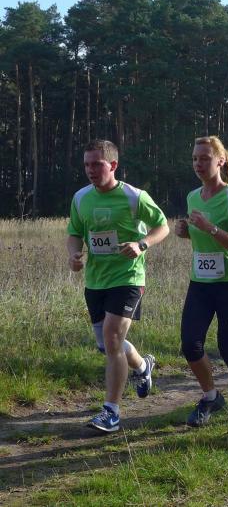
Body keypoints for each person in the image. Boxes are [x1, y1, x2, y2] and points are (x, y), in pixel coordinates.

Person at [67, 139, 169, 433]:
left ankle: (111, 412)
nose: (90, 170)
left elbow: (162, 226)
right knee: (107, 344)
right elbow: (75, 232)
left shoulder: (134, 196)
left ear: (113, 165)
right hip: (96, 280)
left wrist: (141, 244)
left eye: (97, 164)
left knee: (112, 337)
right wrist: (73, 255)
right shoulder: (80, 198)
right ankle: (142, 367)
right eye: (86, 165)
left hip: (128, 278)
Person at [174, 136, 228, 426]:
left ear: (220, 161)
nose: (198, 164)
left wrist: (211, 228)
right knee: (190, 344)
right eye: (195, 159)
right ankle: (211, 397)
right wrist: (185, 232)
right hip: (201, 282)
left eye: (205, 158)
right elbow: (200, 237)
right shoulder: (192, 196)